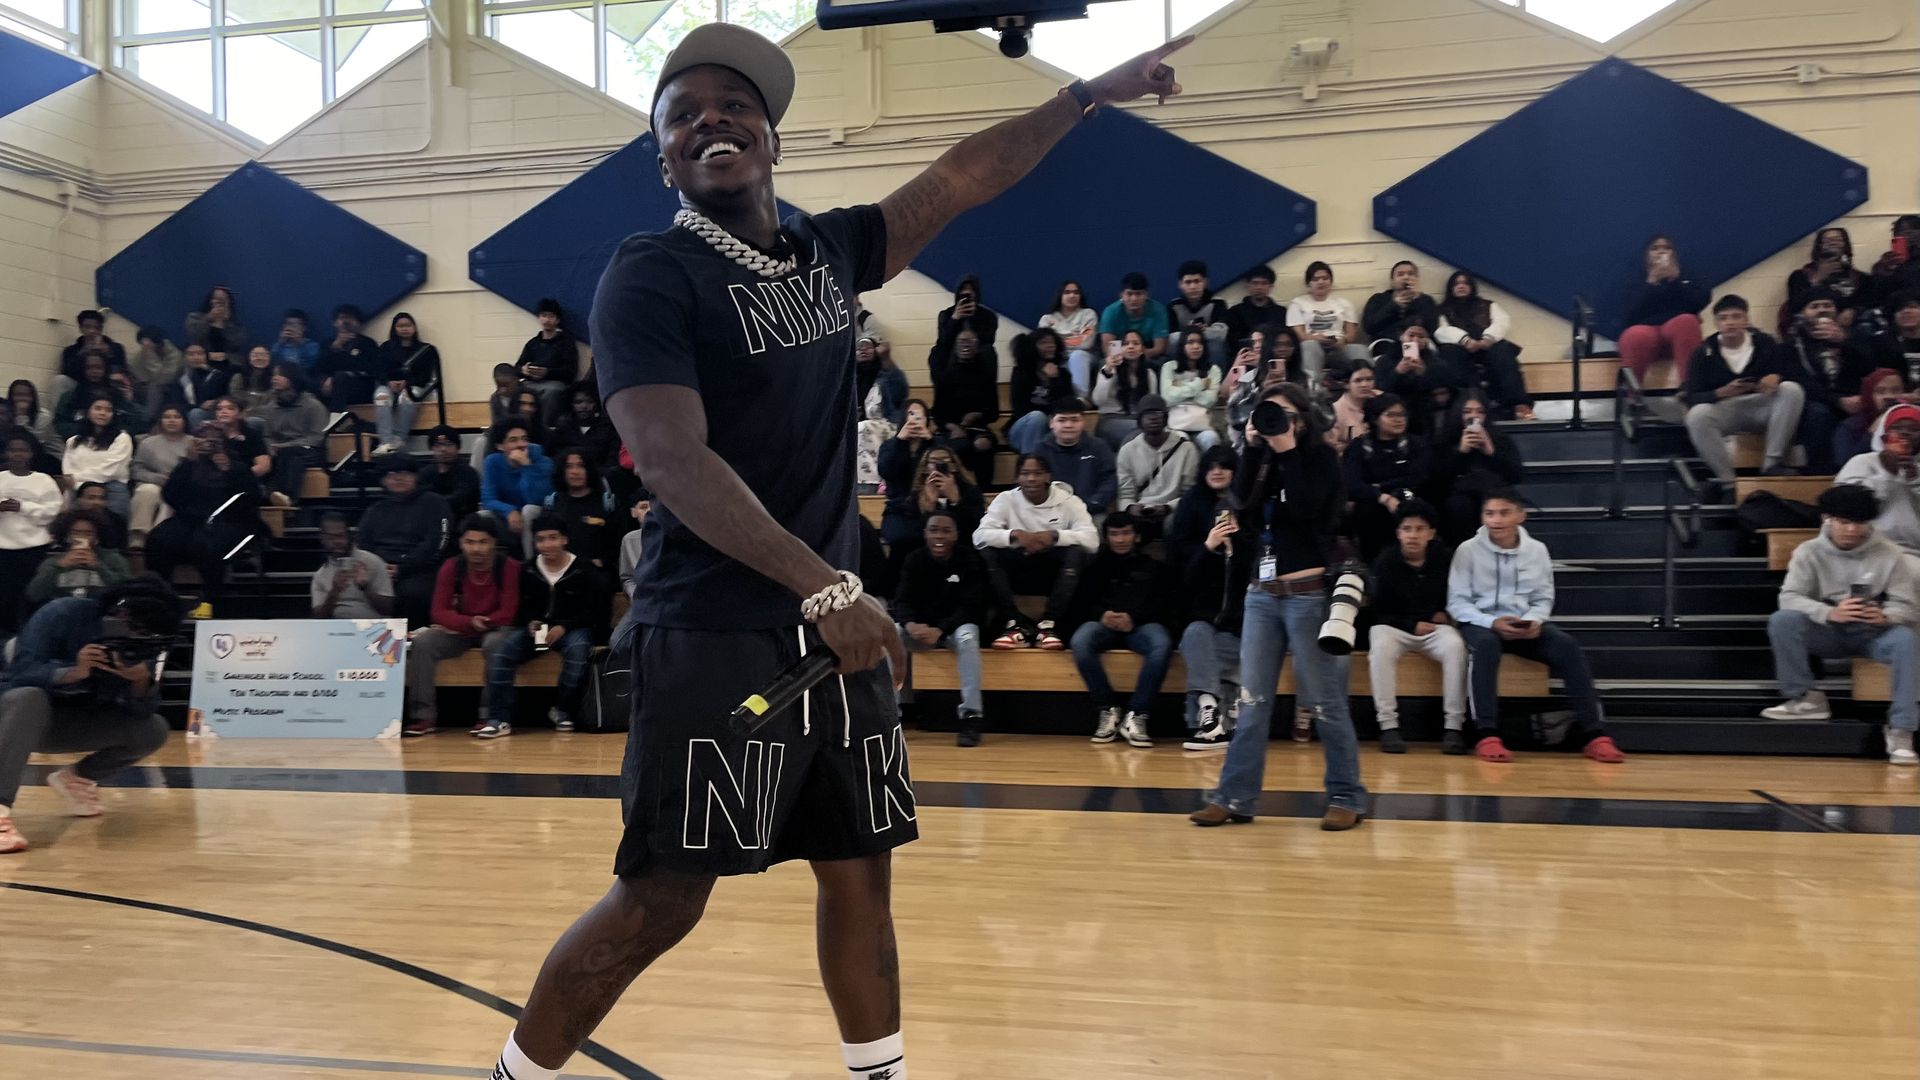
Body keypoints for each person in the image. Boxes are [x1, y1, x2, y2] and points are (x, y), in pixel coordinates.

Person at [493, 26, 1191, 1080]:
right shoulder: (650, 274)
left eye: (733, 105)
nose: (710, 120)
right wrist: (825, 590)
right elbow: (671, 459)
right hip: (717, 631)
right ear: (664, 158)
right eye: (683, 114)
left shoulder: (828, 252)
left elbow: (960, 178)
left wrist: (1086, 93)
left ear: (773, 137)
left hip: (834, 631)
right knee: (663, 898)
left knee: (861, 872)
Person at [1190, 382, 1368, 830]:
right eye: (1268, 413)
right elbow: (1243, 509)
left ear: (1302, 419)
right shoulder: (1262, 458)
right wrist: (1253, 450)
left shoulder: (1320, 458)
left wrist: (1287, 451)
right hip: (1261, 595)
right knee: (1252, 702)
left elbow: (1308, 510)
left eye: (1285, 414)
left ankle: (1346, 796)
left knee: (1325, 701)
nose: (1276, 422)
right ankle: (1234, 796)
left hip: (1308, 593)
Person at [0, 576, 178, 855]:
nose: (137, 636)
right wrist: (72, 671)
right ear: (118, 613)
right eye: (134, 627)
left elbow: (141, 713)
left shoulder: (147, 644)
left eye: (146, 633)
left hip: (64, 723)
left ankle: (76, 778)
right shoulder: (62, 613)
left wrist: (141, 682)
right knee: (28, 697)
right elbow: (18, 675)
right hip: (15, 716)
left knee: (153, 729)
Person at [1447, 488, 1625, 763]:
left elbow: (1543, 597)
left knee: (1567, 646)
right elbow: (1457, 603)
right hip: (1482, 623)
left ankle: (1594, 735)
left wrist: (1534, 620)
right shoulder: (1467, 550)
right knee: (1485, 646)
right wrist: (1492, 622)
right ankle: (1487, 734)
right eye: (1489, 513)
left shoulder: (1537, 550)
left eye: (1504, 513)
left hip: (1522, 624)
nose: (1496, 520)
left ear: (1521, 515)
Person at [1762, 485, 1920, 763]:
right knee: (1782, 620)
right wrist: (1829, 613)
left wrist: (1887, 616)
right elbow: (1789, 597)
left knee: (1906, 640)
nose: (1851, 530)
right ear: (1827, 519)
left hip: (1873, 633)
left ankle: (1902, 729)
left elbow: (1907, 606)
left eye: (1859, 522)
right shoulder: (1808, 552)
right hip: (1829, 631)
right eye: (1844, 522)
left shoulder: (1890, 554)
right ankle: (1805, 698)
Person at [481, 520, 608, 737]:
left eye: (553, 538)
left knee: (578, 651)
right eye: (540, 539)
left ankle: (563, 710)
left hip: (574, 628)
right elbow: (522, 607)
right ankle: (499, 718)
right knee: (502, 653)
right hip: (539, 631)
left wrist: (564, 627)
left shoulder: (584, 569)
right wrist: (530, 621)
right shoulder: (528, 568)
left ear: (564, 539)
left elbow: (595, 610)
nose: (547, 544)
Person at [405, 516, 520, 738]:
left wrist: (478, 623)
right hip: (463, 628)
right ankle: (423, 716)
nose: (476, 549)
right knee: (424, 641)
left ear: (494, 543)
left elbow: (509, 612)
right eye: (470, 542)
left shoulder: (509, 567)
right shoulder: (452, 566)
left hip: (495, 627)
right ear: (460, 543)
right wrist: (468, 623)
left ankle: (489, 716)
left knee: (496, 643)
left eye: (483, 542)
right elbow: (438, 612)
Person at [1367, 500, 1465, 753]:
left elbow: (1459, 596)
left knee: (1455, 646)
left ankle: (1454, 727)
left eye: (1420, 529)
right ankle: (1388, 726)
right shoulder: (1385, 561)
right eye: (1407, 529)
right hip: (1395, 627)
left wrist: (1447, 614)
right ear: (1398, 533)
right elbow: (1378, 611)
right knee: (1380, 646)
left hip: (1434, 627)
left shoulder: (1445, 558)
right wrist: (1411, 625)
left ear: (1431, 533)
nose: (1413, 535)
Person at [977, 454, 1100, 650]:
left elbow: (1092, 540)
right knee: (987, 553)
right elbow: (979, 537)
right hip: (1017, 569)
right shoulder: (1006, 499)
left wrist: (1054, 536)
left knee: (1076, 552)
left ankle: (1048, 624)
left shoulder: (1069, 501)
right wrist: (1014, 535)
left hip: (1054, 574)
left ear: (1048, 476)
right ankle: (1014, 623)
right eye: (1025, 473)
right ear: (1017, 477)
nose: (1031, 479)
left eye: (1037, 473)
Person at [1070, 512, 1171, 748]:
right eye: (1114, 534)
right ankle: (1107, 708)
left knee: (1161, 643)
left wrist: (1134, 618)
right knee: (1081, 640)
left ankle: (1138, 713)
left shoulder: (1155, 568)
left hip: (1142, 625)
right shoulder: (1094, 567)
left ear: (1137, 536)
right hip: (1102, 625)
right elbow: (1080, 602)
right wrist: (1101, 615)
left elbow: (1165, 603)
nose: (1121, 539)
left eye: (1126, 533)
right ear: (1106, 537)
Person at [1681, 295, 1806, 485]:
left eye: (1736, 316)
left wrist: (1777, 377)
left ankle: (1772, 464)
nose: (1730, 323)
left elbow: (1793, 374)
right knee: (1697, 415)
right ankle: (1728, 481)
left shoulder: (1765, 342)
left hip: (1762, 405)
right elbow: (1692, 397)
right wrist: (1722, 392)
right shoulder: (1703, 352)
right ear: (1716, 323)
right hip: (1726, 409)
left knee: (1791, 389)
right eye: (1723, 318)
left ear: (1746, 319)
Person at [891, 510, 989, 746]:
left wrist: (941, 630)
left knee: (969, 638)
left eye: (946, 531)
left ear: (956, 534)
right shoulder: (914, 560)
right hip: (920, 629)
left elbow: (972, 606)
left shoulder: (968, 559)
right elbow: (902, 601)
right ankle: (891, 716)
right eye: (934, 530)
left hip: (954, 628)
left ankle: (971, 717)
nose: (939, 536)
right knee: (891, 634)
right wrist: (910, 624)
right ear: (925, 533)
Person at [1169, 445, 1244, 752]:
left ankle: (1203, 718)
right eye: (1211, 466)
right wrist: (1209, 546)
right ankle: (1212, 709)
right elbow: (1183, 577)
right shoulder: (1190, 505)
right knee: (1195, 634)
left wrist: (1238, 547)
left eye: (1224, 466)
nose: (1217, 471)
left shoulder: (1249, 504)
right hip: (1201, 617)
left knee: (1202, 649)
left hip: (1243, 626)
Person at [144, 426, 262, 605]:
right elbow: (169, 495)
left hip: (232, 521)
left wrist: (228, 470)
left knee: (206, 543)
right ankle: (161, 596)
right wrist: (187, 462)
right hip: (190, 520)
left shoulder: (237, 466)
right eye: (204, 439)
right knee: (157, 539)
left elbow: (251, 499)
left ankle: (212, 600)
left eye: (214, 440)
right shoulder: (189, 466)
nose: (209, 444)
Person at [1781, 288, 1876, 474]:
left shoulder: (1857, 337)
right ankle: (1821, 475)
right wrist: (1838, 401)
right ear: (1803, 313)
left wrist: (1844, 342)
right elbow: (1800, 382)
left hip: (1854, 400)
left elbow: (1871, 369)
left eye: (1827, 305)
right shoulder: (1791, 345)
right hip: (1816, 404)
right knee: (1818, 414)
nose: (1822, 310)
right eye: (1814, 306)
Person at [358, 455, 453, 627]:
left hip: (421, 569)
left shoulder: (434, 502)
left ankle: (410, 640)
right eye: (392, 474)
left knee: (412, 593)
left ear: (416, 476)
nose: (399, 478)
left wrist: (403, 567)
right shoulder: (375, 509)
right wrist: (378, 568)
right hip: (380, 569)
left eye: (405, 473)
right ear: (383, 480)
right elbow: (364, 544)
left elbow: (437, 541)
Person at [1435, 271, 1535, 420]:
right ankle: (1463, 406)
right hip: (1460, 350)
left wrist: (1487, 339)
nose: (1461, 286)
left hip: (1488, 347)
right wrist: (1465, 341)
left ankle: (1519, 405)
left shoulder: (1488, 305)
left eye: (1465, 283)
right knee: (1448, 352)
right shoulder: (1442, 310)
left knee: (1503, 351)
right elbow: (1441, 330)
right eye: (1456, 284)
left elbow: (1502, 322)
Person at [1430, 390, 1525, 543]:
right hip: (1458, 497)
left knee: (1496, 505)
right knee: (1458, 507)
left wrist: (1491, 451)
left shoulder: (1500, 439)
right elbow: (1437, 479)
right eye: (1467, 411)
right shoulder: (1445, 440)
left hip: (1493, 493)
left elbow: (1516, 475)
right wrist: (1460, 452)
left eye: (1479, 412)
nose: (1473, 416)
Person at [1344, 392, 1430, 560]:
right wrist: (1381, 496)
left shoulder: (1416, 444)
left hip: (1409, 499)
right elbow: (1352, 485)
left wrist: (1380, 486)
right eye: (1391, 415)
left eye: (1402, 414)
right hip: (1373, 505)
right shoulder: (1360, 446)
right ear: (1376, 419)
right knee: (1367, 512)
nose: (1399, 420)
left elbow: (1419, 477)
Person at [1617, 234, 1709, 385]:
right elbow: (1627, 312)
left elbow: (1702, 300)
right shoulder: (1634, 278)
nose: (1661, 251)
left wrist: (1677, 280)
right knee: (1633, 336)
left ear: (1674, 254)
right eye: (1655, 248)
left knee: (1686, 322)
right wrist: (1650, 283)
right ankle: (1631, 394)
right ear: (1646, 255)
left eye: (1667, 248)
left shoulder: (1685, 274)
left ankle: (1692, 388)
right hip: (1646, 331)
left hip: (1678, 331)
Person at [0, 431, 63, 635]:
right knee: (5, 595)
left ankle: (33, 633)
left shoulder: (43, 480)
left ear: (31, 453)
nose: (18, 454)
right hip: (3, 547)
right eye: (13, 450)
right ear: (6, 453)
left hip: (34, 547)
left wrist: (23, 507)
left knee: (32, 595)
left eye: (23, 450)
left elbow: (52, 512)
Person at [1115, 394, 1198, 536]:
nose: (1153, 418)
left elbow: (1189, 493)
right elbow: (1125, 493)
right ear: (1139, 420)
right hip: (1140, 512)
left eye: (1158, 413)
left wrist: (1167, 507)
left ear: (1166, 418)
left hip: (1174, 511)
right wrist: (1130, 508)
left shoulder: (1187, 449)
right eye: (1147, 414)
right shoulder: (1127, 450)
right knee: (1118, 525)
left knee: (1175, 522)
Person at [927, 325, 999, 481]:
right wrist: (953, 427)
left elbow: (994, 412)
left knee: (983, 444)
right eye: (961, 341)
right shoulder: (945, 377)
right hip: (950, 430)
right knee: (960, 446)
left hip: (978, 428)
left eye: (970, 341)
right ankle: (959, 488)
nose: (966, 344)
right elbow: (937, 414)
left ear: (977, 346)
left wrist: (977, 415)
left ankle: (984, 489)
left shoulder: (986, 377)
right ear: (955, 346)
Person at [24, 505, 131, 610]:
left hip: (102, 612)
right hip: (63, 613)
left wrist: (99, 567)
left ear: (97, 537)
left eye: (88, 534)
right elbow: (34, 595)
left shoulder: (112, 559)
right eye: (76, 533)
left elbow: (125, 592)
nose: (81, 537)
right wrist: (58, 567)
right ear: (67, 536)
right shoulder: (53, 562)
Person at [251, 362, 328, 507]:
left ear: (292, 378)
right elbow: (268, 435)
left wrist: (285, 446)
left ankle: (288, 495)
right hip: (279, 450)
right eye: (274, 375)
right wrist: (269, 448)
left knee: (290, 453)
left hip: (310, 450)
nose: (275, 378)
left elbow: (317, 437)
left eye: (280, 375)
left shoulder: (313, 405)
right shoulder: (271, 408)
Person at [542, 447, 629, 570]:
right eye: (569, 467)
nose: (575, 472)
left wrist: (603, 561)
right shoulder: (552, 504)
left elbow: (620, 540)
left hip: (599, 572)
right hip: (561, 572)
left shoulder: (608, 503)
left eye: (581, 466)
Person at [1288, 260, 1370, 385]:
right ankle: (1313, 387)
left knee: (1359, 349)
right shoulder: (1298, 303)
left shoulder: (1344, 303)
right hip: (1311, 344)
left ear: (1331, 282)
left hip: (1338, 345)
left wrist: (1343, 340)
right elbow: (1299, 335)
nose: (1321, 282)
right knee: (1309, 346)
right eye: (1315, 279)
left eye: (1325, 278)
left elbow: (1351, 335)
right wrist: (1315, 338)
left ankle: (1367, 385)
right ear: (1308, 283)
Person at [1783, 227, 1874, 335]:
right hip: (1810, 332)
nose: (1833, 243)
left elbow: (1869, 304)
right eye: (1827, 240)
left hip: (1850, 332)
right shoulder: (1800, 276)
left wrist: (1853, 311)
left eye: (1838, 239)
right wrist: (1818, 277)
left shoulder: (1859, 278)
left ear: (1846, 245)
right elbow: (1794, 307)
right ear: (1819, 246)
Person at [1032, 399, 1116, 515]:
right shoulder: (1040, 449)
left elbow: (1110, 480)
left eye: (1075, 420)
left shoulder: (1099, 446)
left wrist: (1092, 504)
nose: (1068, 425)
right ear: (1051, 423)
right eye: (1062, 420)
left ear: (1083, 422)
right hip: (1050, 512)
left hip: (1091, 512)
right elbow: (1033, 482)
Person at [482, 419, 553, 556]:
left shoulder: (544, 462)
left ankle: (530, 562)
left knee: (528, 510)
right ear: (500, 446)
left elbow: (536, 499)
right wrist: (509, 511)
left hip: (539, 518)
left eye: (524, 439)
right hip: (509, 519)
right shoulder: (492, 462)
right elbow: (488, 499)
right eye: (513, 440)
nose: (521, 444)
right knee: (482, 516)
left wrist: (527, 466)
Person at [374, 312, 440, 454]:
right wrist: (388, 382)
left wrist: (407, 383)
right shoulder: (386, 348)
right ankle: (385, 441)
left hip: (415, 386)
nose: (404, 329)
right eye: (400, 326)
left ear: (414, 328)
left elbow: (426, 376)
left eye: (408, 325)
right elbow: (379, 370)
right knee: (381, 397)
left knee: (407, 397)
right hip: (388, 385)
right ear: (394, 328)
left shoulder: (426, 349)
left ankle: (399, 439)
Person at [311, 511, 395, 619]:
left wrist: (365, 587)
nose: (337, 541)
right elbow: (319, 619)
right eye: (331, 537)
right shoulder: (320, 575)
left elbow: (389, 609)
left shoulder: (373, 561)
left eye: (341, 536)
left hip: (374, 626)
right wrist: (334, 592)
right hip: (338, 627)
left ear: (349, 536)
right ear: (322, 539)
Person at [127, 406, 192, 547]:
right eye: (167, 417)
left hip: (183, 487)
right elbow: (136, 470)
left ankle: (159, 540)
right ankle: (138, 536)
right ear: (160, 421)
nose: (171, 421)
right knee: (147, 491)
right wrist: (158, 478)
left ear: (184, 420)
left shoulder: (193, 443)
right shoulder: (148, 443)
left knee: (171, 500)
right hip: (156, 483)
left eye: (176, 417)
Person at [1006, 329, 1079, 453]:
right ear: (1032, 346)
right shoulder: (1021, 373)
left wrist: (1054, 380)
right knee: (1037, 417)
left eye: (1053, 342)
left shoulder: (1063, 374)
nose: (1051, 346)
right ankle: (1030, 461)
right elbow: (1020, 409)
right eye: (1044, 342)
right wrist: (1046, 417)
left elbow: (1066, 406)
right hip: (1022, 431)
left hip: (1052, 429)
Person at [62, 395, 134, 520]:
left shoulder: (122, 439)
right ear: (88, 411)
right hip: (77, 488)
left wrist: (78, 478)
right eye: (98, 408)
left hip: (111, 487)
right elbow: (67, 468)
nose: (103, 413)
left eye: (108, 410)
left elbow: (112, 469)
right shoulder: (73, 440)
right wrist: (76, 483)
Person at [1090, 328, 1159, 449]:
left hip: (1138, 419)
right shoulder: (1108, 370)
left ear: (1142, 350)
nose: (1131, 347)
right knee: (1141, 431)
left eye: (1136, 343)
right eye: (1126, 344)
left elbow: (1151, 405)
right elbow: (1098, 400)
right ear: (1119, 348)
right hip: (1110, 419)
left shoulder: (1149, 374)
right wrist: (1108, 372)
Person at [516, 298, 580, 421]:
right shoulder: (532, 343)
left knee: (553, 391)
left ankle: (544, 426)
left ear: (557, 320)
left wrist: (547, 372)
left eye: (551, 316)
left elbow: (570, 372)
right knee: (516, 390)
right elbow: (517, 368)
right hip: (531, 382)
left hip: (554, 383)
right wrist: (523, 370)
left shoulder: (566, 343)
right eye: (544, 315)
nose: (547, 320)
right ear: (539, 318)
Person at [57, 351, 146, 440]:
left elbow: (139, 423)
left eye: (98, 367)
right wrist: (89, 430)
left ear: (106, 370)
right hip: (78, 441)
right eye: (89, 368)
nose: (94, 371)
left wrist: (108, 431)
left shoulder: (118, 396)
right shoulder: (70, 397)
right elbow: (60, 425)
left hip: (112, 443)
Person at [1161, 330, 1223, 450]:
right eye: (1190, 342)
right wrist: (1199, 385)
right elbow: (1168, 398)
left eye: (1200, 343)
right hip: (1176, 425)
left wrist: (1181, 386)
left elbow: (1209, 400)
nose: (1196, 346)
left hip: (1203, 425)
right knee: (1179, 441)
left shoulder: (1213, 370)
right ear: (1182, 345)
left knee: (1211, 439)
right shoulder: (1169, 367)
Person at [314, 304, 382, 410]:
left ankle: (336, 416)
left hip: (359, 386)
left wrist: (337, 377)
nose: (346, 322)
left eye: (350, 318)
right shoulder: (327, 344)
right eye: (342, 318)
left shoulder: (368, 343)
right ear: (334, 322)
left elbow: (372, 369)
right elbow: (319, 368)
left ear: (359, 323)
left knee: (340, 377)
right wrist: (335, 348)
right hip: (330, 387)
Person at [1166, 259, 1232, 369]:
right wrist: (1192, 332)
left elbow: (1221, 332)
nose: (1193, 286)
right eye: (1188, 282)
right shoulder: (1174, 306)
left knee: (1216, 345)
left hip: (1209, 346)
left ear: (1205, 282)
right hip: (1184, 348)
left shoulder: (1217, 303)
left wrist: (1198, 333)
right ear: (1180, 284)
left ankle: (1215, 377)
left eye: (1197, 281)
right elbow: (1170, 337)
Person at [1832, 368, 1903, 466]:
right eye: (1880, 391)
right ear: (1869, 395)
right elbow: (1845, 463)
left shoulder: (1913, 423)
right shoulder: (1850, 426)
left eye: (1896, 390)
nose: (1889, 396)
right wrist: (1872, 431)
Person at [1040, 279, 1100, 392]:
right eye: (1067, 292)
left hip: (1085, 357)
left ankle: (1081, 398)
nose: (1072, 295)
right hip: (1058, 359)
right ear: (1060, 295)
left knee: (1077, 355)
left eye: (1076, 292)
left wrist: (1058, 338)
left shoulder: (1088, 314)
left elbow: (1086, 343)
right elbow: (1044, 346)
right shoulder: (1047, 319)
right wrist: (1075, 336)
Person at [546, 385, 622, 474]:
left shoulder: (608, 428)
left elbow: (612, 460)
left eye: (590, 402)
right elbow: (554, 456)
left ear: (597, 404)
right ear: (571, 404)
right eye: (578, 402)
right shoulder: (562, 428)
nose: (584, 406)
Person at [1098, 270, 1170, 362]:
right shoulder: (1110, 312)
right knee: (1104, 363)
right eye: (1129, 294)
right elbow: (1107, 349)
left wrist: (1137, 357)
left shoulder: (1158, 310)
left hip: (1147, 352)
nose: (1134, 299)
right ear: (1121, 295)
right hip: (1119, 352)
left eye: (1138, 294)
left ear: (1147, 295)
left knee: (1163, 361)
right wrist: (1127, 356)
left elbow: (1159, 348)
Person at [1361, 260, 1438, 343]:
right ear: (1392, 280)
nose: (1406, 277)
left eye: (1411, 274)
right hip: (1388, 342)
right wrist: (1394, 305)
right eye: (1400, 274)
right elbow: (1369, 327)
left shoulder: (1426, 300)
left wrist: (1417, 299)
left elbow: (1431, 328)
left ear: (1417, 278)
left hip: (1419, 342)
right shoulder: (1378, 299)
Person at [57, 309, 128, 395]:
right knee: (60, 380)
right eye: (87, 327)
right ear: (81, 328)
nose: (92, 331)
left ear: (101, 329)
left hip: (108, 384)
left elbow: (122, 371)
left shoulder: (115, 348)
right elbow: (67, 373)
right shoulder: (71, 350)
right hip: (81, 385)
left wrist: (108, 354)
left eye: (96, 328)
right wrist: (83, 353)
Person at [420, 424, 481, 520]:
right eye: (438, 445)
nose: (443, 449)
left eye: (448, 444)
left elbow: (459, 499)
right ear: (432, 449)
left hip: (463, 521)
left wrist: (432, 502)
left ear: (458, 447)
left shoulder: (468, 473)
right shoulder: (425, 473)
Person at [934, 273, 1000, 361]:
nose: (967, 292)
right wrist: (954, 319)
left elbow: (988, 341)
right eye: (963, 289)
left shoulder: (988, 316)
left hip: (978, 359)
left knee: (988, 351)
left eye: (971, 290)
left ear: (976, 294)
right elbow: (943, 340)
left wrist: (974, 318)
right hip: (952, 358)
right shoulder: (946, 314)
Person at [171, 342, 230, 427]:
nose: (196, 357)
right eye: (191, 354)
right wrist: (199, 406)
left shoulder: (217, 375)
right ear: (184, 358)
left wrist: (215, 402)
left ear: (206, 356)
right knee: (195, 413)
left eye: (200, 354)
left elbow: (227, 397)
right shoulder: (180, 379)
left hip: (214, 412)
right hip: (188, 413)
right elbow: (177, 404)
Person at [128, 326, 184, 416]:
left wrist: (151, 357)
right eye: (142, 344)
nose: (144, 347)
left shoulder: (175, 354)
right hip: (142, 387)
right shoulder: (140, 356)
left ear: (158, 342)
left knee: (154, 387)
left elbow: (164, 379)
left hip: (172, 386)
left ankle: (148, 418)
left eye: (147, 343)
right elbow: (137, 377)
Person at [184, 285, 245, 366]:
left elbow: (237, 346)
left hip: (227, 365)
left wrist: (225, 324)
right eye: (216, 299)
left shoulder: (235, 325)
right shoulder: (194, 318)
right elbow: (194, 337)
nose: (220, 304)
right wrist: (208, 318)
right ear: (210, 301)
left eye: (223, 301)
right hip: (200, 363)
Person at [10, 379, 62, 472]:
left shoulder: (43, 416)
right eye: (18, 395)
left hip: (50, 457)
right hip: (22, 456)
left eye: (27, 395)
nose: (22, 398)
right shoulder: (7, 413)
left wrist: (21, 415)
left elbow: (33, 443)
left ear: (33, 398)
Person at [1227, 263, 1285, 345]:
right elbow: (1233, 341)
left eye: (1264, 283)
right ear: (1247, 285)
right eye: (1255, 283)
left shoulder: (1281, 312)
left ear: (1271, 286)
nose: (1259, 287)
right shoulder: (1235, 312)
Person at [1327, 356, 1376, 453]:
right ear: (1346, 384)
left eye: (1369, 379)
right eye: (1358, 380)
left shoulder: (1382, 401)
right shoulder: (1336, 410)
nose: (1364, 384)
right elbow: (1332, 448)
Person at [1872, 291, 1920, 387]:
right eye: (1899, 309)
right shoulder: (1881, 343)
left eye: (1912, 306)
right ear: (1893, 316)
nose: (1906, 311)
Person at [270, 309, 322, 373]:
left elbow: (310, 365)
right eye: (288, 324)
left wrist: (300, 344)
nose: (290, 328)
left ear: (304, 328)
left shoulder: (312, 346)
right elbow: (272, 362)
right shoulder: (279, 346)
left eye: (294, 325)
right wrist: (281, 342)